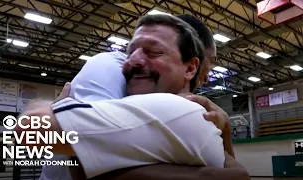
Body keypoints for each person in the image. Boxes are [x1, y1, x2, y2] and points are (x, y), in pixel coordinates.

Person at [32, 14, 244, 180]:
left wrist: (224, 133)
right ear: (191, 64)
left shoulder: (183, 106)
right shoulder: (110, 67)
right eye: (211, 61)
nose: (206, 78)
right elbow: (81, 163)